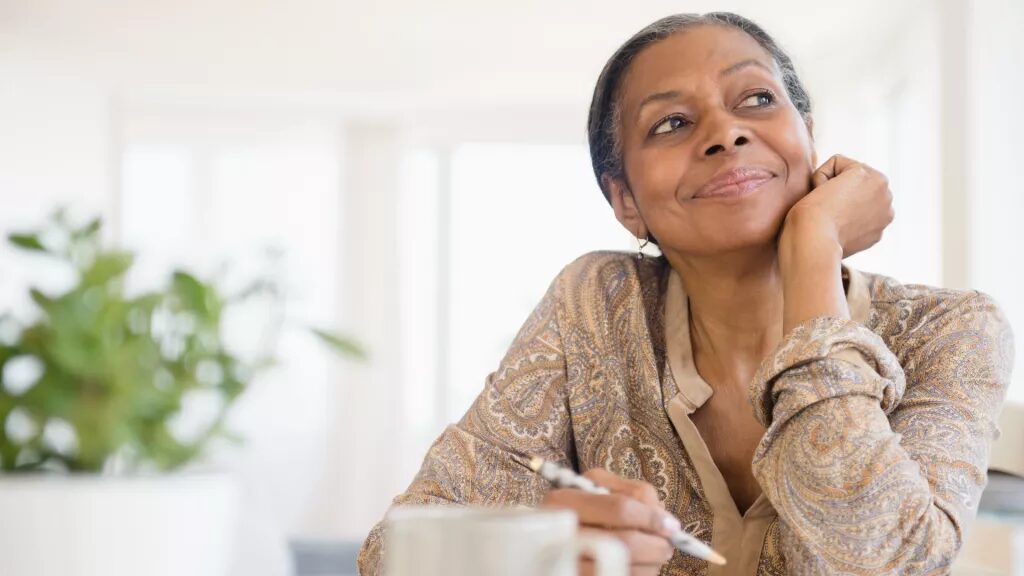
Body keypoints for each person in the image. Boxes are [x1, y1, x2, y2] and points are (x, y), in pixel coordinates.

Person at [358, 12, 1014, 575]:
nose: (725, 133)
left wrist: (815, 246)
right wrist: (541, 549)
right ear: (625, 203)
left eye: (756, 99)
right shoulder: (593, 304)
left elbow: (885, 562)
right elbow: (394, 554)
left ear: (808, 136)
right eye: (671, 122)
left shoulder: (946, 328)